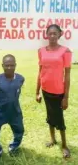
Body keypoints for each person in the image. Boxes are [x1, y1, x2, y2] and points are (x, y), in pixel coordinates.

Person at [36, 24, 72, 158]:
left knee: (59, 118)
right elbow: (40, 71)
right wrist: (37, 91)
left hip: (58, 91)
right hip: (45, 90)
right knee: (50, 115)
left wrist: (66, 97)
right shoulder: (41, 51)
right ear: (46, 35)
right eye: (49, 33)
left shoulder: (65, 51)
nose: (52, 36)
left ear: (59, 34)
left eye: (54, 33)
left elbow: (67, 75)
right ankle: (52, 139)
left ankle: (64, 145)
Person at [0, 54, 25, 160]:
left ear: (15, 65)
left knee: (19, 130)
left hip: (14, 111)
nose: (9, 68)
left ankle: (13, 147)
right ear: (2, 65)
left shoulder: (20, 79)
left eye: (12, 65)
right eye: (7, 65)